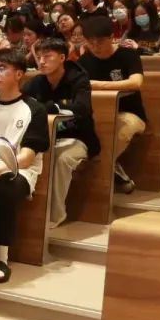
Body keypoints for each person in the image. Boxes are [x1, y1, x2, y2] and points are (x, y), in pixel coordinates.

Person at [0, 50, 51, 283]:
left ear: (19, 74)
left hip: (18, 170)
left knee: (5, 185)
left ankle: (0, 258)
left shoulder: (34, 109)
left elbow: (26, 157)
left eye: (2, 68)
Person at [23, 38, 101, 227]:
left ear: (62, 58)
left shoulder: (78, 79)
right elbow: (20, 102)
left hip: (78, 138)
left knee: (60, 159)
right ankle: (30, 213)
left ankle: (55, 214)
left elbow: (82, 108)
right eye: (39, 57)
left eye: (47, 56)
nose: (42, 61)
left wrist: (54, 107)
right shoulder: (36, 82)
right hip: (47, 137)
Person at [79, 15, 146, 194]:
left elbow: (136, 83)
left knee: (118, 132)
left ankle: (99, 175)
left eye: (100, 42)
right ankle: (116, 173)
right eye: (90, 43)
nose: (95, 47)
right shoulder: (84, 61)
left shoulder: (128, 55)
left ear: (112, 37)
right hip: (96, 115)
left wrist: (97, 85)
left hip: (130, 114)